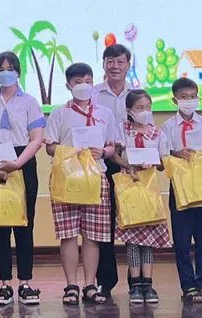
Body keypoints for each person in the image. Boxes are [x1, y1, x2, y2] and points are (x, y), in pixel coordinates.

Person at [0, 51, 45, 305]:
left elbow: (37, 138)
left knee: (25, 225)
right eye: (1, 69)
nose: (5, 72)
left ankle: (25, 283)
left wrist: (17, 164)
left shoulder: (30, 102)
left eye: (10, 68)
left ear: (18, 72)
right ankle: (4, 284)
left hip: (22, 162)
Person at [45, 62, 121, 306]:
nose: (84, 86)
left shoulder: (105, 113)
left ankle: (89, 285)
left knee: (93, 235)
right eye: (78, 82)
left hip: (96, 177)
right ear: (69, 85)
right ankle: (71, 285)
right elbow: (49, 147)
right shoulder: (59, 113)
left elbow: (112, 146)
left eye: (88, 81)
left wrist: (103, 152)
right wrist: (71, 151)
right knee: (68, 234)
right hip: (67, 178)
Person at [162, 77, 202, 303]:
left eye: (193, 96)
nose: (189, 101)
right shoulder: (167, 126)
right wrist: (176, 154)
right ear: (174, 100)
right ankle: (188, 285)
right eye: (184, 97)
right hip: (180, 186)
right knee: (182, 239)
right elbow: (164, 155)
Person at [112, 89, 170, 305]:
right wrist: (128, 164)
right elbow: (114, 155)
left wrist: (152, 162)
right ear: (129, 111)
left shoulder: (157, 134)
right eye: (139, 108)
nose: (145, 112)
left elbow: (163, 163)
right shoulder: (122, 130)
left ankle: (148, 283)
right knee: (132, 240)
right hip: (129, 190)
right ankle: (135, 284)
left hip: (150, 190)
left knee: (149, 240)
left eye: (148, 107)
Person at [90, 43, 134, 295]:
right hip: (102, 164)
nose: (115, 66)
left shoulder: (137, 94)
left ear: (128, 65)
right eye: (110, 61)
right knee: (103, 222)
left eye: (120, 62)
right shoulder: (94, 93)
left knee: (133, 220)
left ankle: (137, 280)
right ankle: (105, 280)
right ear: (103, 65)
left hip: (132, 165)